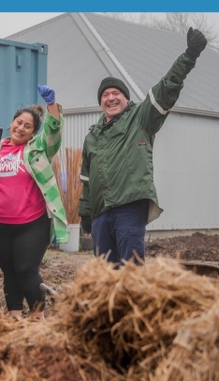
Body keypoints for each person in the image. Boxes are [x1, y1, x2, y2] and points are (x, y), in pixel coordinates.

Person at [79, 27, 208, 266]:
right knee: (104, 276)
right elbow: (86, 181)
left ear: (125, 98)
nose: (110, 98)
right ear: (101, 102)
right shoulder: (92, 136)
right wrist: (86, 213)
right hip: (100, 214)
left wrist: (189, 56)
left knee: (130, 270)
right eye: (105, 95)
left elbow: (166, 88)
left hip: (129, 206)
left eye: (116, 92)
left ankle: (133, 305)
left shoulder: (140, 118)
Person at [0, 85, 68, 320]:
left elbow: (53, 135)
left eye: (27, 126)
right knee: (10, 271)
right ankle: (14, 316)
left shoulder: (37, 150)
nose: (21, 128)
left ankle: (37, 316)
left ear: (33, 133)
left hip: (32, 223)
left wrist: (52, 106)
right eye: (18, 123)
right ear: (12, 123)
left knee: (26, 269)